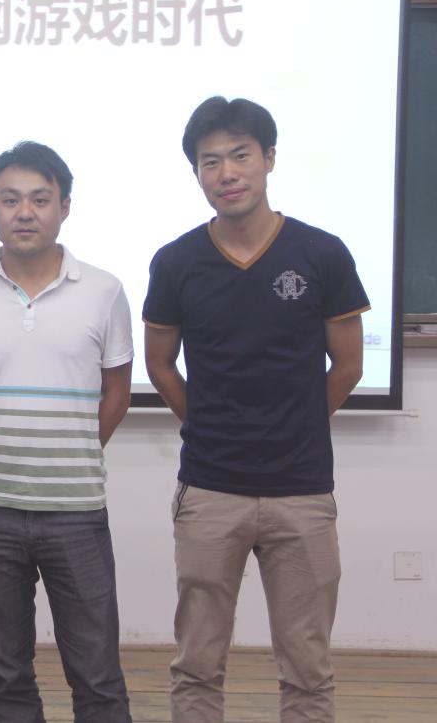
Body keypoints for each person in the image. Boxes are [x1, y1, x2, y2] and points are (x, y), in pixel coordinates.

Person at [143, 96, 369, 723]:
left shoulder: (322, 254)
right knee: (196, 663)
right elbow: (160, 365)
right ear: (197, 173)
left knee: (308, 669)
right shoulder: (177, 261)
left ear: (268, 158)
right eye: (210, 161)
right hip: (210, 488)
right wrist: (204, 423)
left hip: (302, 490)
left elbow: (348, 365)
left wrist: (298, 424)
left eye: (240, 156)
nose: (227, 173)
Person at [0, 141, 134, 722]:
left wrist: (70, 450)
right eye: (10, 200)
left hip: (75, 511)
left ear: (64, 206)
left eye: (40, 199)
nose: (25, 212)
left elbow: (117, 392)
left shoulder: (103, 290)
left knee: (97, 674)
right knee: (5, 674)